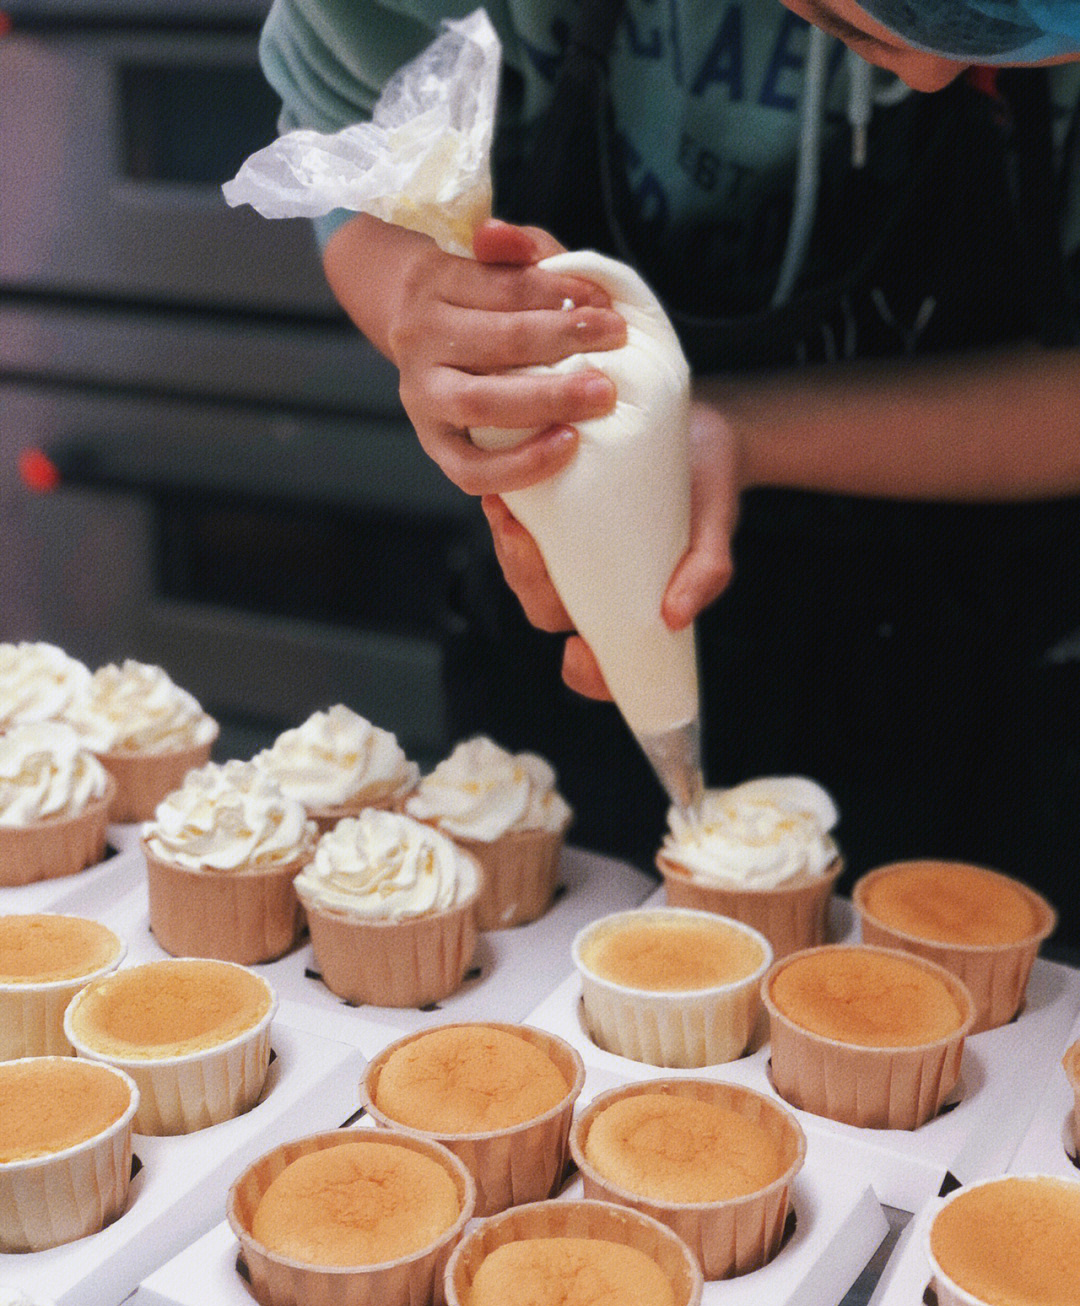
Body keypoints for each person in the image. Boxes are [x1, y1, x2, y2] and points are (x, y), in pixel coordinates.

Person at [258, 0, 1080, 940]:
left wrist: (744, 433)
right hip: (561, 690)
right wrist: (427, 307)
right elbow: (346, 145)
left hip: (979, 681)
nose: (930, 74)